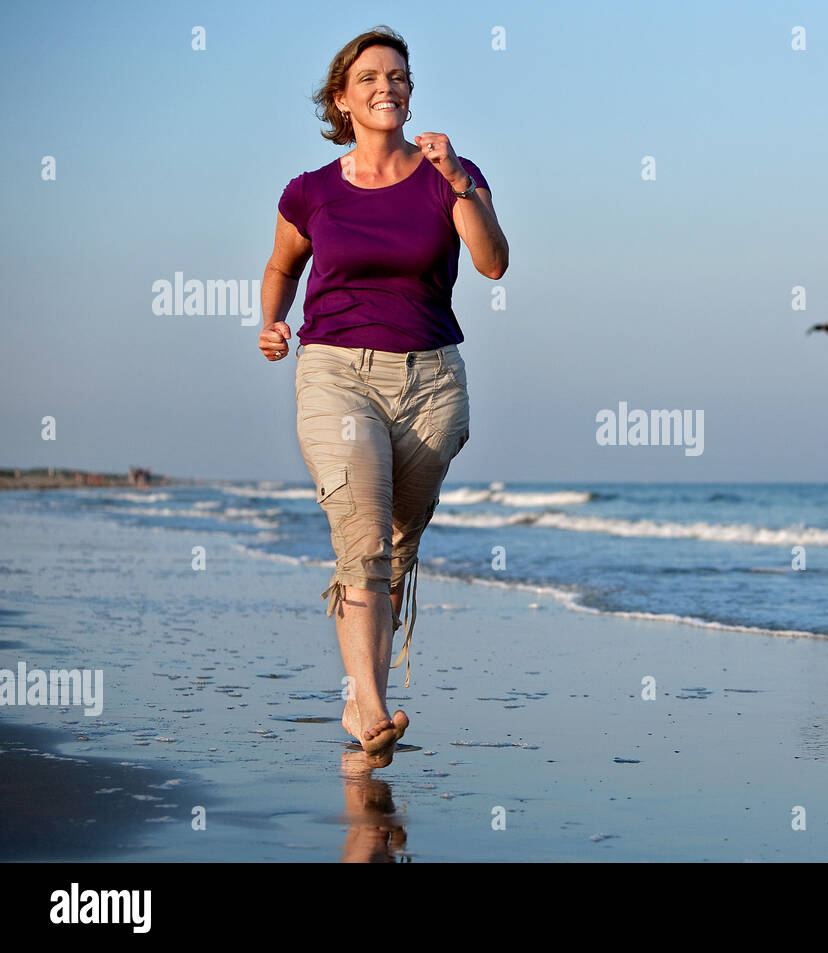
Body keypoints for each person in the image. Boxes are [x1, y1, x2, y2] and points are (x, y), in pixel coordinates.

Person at [258, 26, 508, 765]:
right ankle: (369, 707)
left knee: (396, 544)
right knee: (362, 537)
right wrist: (270, 322)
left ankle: (358, 691)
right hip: (335, 372)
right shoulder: (310, 192)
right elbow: (280, 267)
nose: (387, 87)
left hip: (432, 381)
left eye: (398, 76)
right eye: (369, 77)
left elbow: (493, 264)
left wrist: (460, 181)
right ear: (343, 98)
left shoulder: (448, 174)